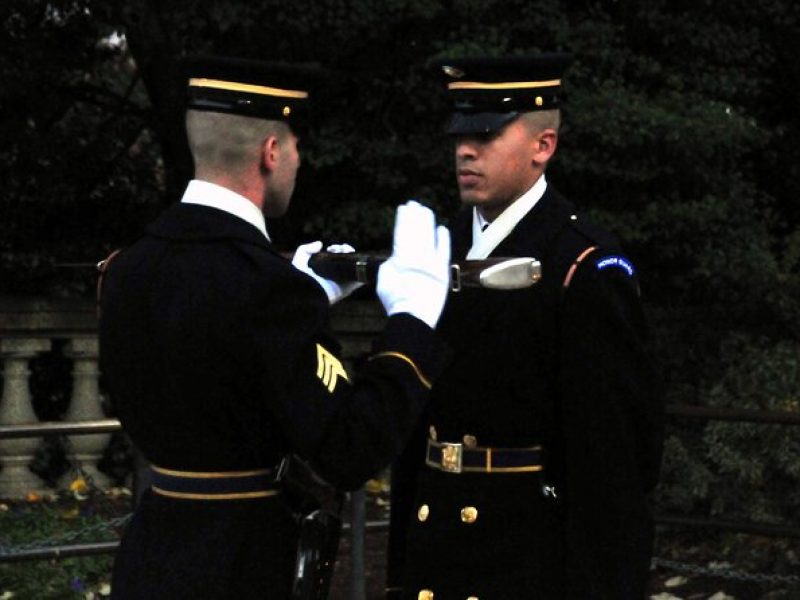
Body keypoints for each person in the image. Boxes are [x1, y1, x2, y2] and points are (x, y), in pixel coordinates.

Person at [98, 55, 452, 599]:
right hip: (241, 567)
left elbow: (214, 349)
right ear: (270, 152)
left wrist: (303, 298)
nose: (297, 160)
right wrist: (411, 321)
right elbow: (349, 449)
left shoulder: (127, 269)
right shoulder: (267, 290)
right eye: (294, 146)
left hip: (149, 557)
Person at [386, 54, 664, 599]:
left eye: (487, 135)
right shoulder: (436, 250)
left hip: (528, 563)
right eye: (461, 135)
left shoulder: (582, 266)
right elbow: (416, 434)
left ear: (544, 147)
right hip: (436, 550)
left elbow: (614, 466)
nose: (466, 150)